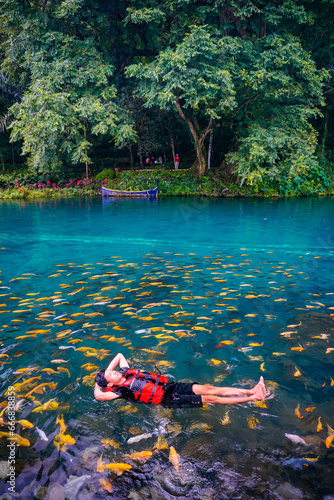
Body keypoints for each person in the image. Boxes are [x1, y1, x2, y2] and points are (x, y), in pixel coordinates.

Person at [94, 353, 268, 408]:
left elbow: (119, 355)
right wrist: (100, 382)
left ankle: (251, 390)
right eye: (111, 375)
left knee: (207, 388)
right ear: (110, 384)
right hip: (169, 399)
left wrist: (106, 373)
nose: (115, 372)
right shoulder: (119, 391)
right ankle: (255, 398)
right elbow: (99, 396)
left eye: (113, 370)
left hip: (172, 386)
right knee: (210, 399)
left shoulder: (126, 372)